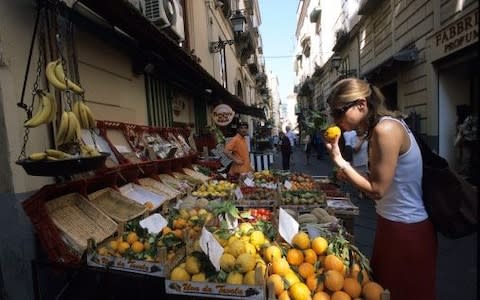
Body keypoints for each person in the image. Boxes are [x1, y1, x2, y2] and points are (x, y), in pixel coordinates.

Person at [324, 78, 437, 299]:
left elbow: (378, 190)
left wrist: (341, 161)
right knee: (381, 291)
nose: (335, 119)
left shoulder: (386, 130)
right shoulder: (380, 128)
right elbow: (383, 180)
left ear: (361, 105)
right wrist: (348, 175)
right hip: (391, 224)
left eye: (338, 112)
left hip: (406, 231)